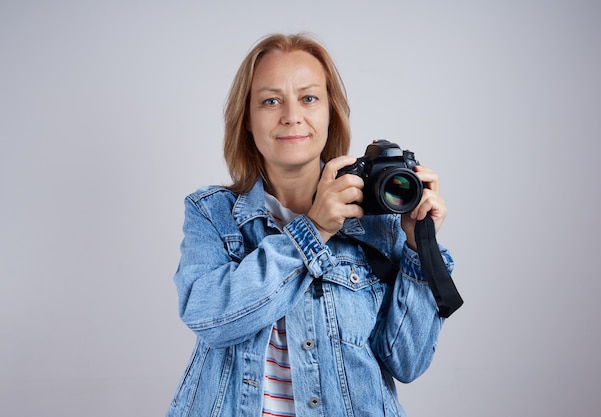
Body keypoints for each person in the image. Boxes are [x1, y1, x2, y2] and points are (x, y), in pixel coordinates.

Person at [167, 33, 454, 417]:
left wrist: (420, 249)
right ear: (247, 120)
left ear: (330, 112)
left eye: (308, 98)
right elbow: (211, 319)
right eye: (271, 101)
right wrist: (312, 230)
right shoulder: (212, 213)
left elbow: (407, 363)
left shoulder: (378, 219)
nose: (291, 115)